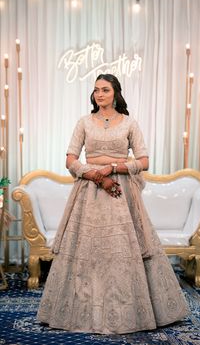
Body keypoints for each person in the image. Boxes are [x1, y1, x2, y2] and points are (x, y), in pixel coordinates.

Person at [37, 74, 188, 334]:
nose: (100, 95)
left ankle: (130, 313)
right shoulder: (84, 122)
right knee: (88, 250)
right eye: (96, 90)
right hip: (89, 193)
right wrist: (96, 175)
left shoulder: (129, 123)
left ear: (116, 93)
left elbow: (143, 161)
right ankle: (81, 312)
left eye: (105, 90)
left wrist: (114, 168)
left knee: (123, 249)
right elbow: (70, 159)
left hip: (122, 193)